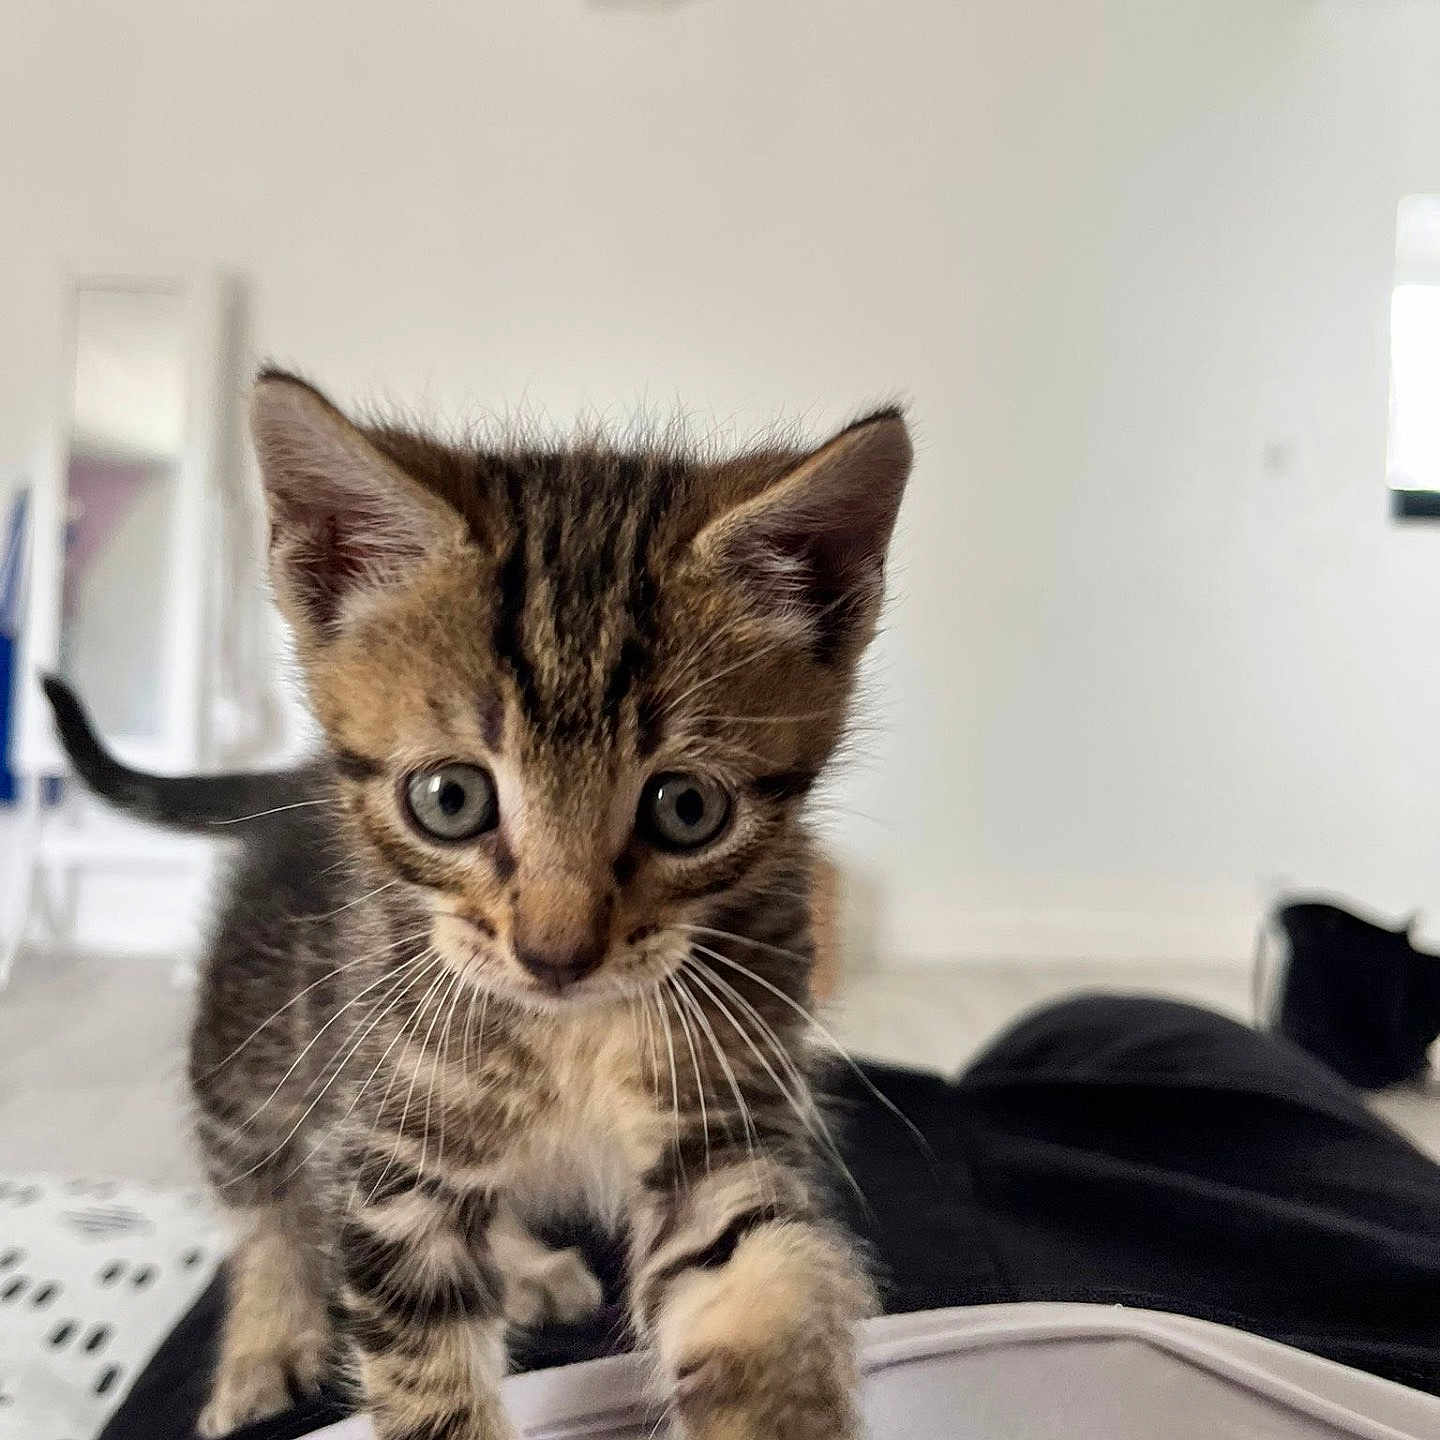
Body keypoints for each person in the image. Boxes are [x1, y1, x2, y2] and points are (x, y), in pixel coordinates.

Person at [102, 994, 1440, 1440]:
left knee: (1088, 1045)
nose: (559, 932)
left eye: (673, 806)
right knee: (1105, 1038)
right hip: (1322, 1306)